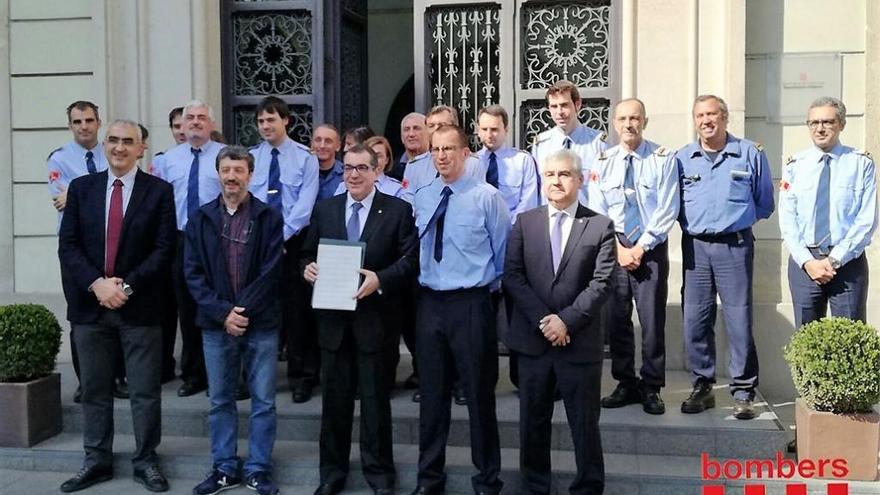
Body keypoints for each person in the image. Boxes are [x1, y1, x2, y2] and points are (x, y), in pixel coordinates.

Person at [58, 119, 175, 493]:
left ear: (141, 148)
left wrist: (124, 286)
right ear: (104, 145)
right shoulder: (81, 189)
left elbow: (163, 249)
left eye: (128, 141)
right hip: (91, 308)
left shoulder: (159, 192)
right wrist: (97, 284)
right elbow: (69, 246)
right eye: (113, 140)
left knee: (144, 392)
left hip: (139, 307)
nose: (119, 148)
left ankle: (146, 460)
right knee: (94, 389)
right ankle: (96, 461)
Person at [303, 143, 418, 495]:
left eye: (361, 168)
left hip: (375, 324)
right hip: (334, 324)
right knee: (335, 404)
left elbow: (410, 260)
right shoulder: (326, 209)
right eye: (348, 168)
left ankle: (380, 475)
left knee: (374, 404)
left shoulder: (397, 210)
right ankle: (332, 474)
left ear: (376, 171)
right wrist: (306, 268)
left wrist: (381, 279)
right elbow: (307, 253)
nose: (353, 174)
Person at [504, 148, 615, 495]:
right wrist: (544, 321)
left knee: (584, 424)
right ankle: (536, 486)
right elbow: (513, 276)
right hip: (533, 344)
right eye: (550, 175)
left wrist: (565, 322)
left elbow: (602, 283)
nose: (556, 181)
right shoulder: (525, 222)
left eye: (564, 174)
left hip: (578, 344)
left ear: (580, 180)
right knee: (533, 423)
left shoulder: (599, 225)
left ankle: (588, 486)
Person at [410, 125, 508, 495]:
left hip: (471, 303)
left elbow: (502, 257)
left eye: (449, 148)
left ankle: (487, 479)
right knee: (432, 398)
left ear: (466, 153)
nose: (442, 155)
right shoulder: (422, 195)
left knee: (479, 397)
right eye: (435, 149)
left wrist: (482, 296)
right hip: (430, 303)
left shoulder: (487, 198)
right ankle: (429, 478)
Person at [185, 146, 284, 495]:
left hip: (261, 323)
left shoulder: (269, 216)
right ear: (218, 173)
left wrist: (241, 311)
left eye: (238, 170)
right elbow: (193, 274)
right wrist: (222, 313)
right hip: (216, 326)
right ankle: (224, 467)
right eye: (226, 170)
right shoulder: (200, 218)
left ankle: (258, 468)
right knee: (220, 400)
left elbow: (273, 271)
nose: (231, 177)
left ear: (250, 175)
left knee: (264, 401)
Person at [676, 94, 775, 420]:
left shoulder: (749, 153)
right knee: (695, 319)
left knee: (738, 320)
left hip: (734, 246)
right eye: (700, 115)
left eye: (712, 114)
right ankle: (702, 386)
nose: (706, 120)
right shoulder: (682, 158)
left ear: (725, 118)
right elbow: (672, 203)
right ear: (694, 120)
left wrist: (734, 221)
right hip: (696, 248)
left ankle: (744, 392)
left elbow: (764, 202)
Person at [590, 99, 679, 415]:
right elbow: (598, 208)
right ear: (614, 123)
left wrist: (640, 248)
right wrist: (618, 249)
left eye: (635, 118)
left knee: (653, 321)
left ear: (645, 121)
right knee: (617, 319)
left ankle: (652, 386)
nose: (629, 124)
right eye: (623, 119)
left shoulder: (662, 159)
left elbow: (668, 208)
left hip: (649, 249)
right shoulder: (603, 161)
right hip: (615, 246)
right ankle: (625, 382)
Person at [48, 100, 128, 403]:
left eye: (89, 120)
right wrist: (89, 191)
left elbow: (119, 187)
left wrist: (77, 192)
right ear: (70, 125)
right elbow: (61, 201)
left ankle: (118, 377)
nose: (84, 126)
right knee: (81, 316)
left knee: (119, 308)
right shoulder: (59, 159)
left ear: (98, 122)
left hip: (112, 241)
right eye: (77, 121)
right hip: (76, 247)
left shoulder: (112, 152)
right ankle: (87, 381)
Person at [779, 96, 876, 329]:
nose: (820, 128)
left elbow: (866, 219)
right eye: (813, 123)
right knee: (806, 340)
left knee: (849, 339)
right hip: (805, 263)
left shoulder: (860, 164)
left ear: (841, 124)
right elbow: (788, 220)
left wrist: (834, 260)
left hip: (847, 262)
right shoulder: (795, 165)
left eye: (827, 122)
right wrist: (808, 262)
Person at [248, 96, 320, 402]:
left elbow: (304, 206)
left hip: (294, 242)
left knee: (297, 314)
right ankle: (256, 378)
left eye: (271, 120)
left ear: (286, 121)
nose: (266, 126)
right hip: (259, 243)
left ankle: (301, 377)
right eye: (261, 121)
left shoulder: (305, 158)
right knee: (261, 310)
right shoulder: (251, 158)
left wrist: (281, 238)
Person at [151, 99, 225, 398]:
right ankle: (194, 374)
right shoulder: (169, 159)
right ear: (181, 124)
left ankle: (220, 372)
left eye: (201, 117)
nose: (195, 122)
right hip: (181, 240)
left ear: (211, 124)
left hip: (218, 239)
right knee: (187, 307)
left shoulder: (227, 156)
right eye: (189, 117)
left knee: (219, 304)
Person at [531, 80, 607, 204]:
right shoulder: (541, 144)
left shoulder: (597, 143)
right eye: (554, 106)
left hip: (586, 218)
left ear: (577, 105)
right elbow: (537, 189)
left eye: (564, 105)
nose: (559, 112)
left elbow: (605, 187)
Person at [474, 104, 540, 221]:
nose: (489, 135)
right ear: (478, 131)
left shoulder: (523, 161)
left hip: (513, 231)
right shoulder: (470, 163)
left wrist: (507, 227)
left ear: (506, 130)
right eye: (484, 129)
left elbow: (528, 202)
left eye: (494, 130)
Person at [334, 136, 405, 200]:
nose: (374, 160)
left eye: (378, 156)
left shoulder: (397, 189)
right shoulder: (345, 186)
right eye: (370, 155)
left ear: (387, 160)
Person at [389, 113, 429, 181]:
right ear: (402, 137)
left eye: (416, 128)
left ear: (428, 133)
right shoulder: (391, 170)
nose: (411, 134)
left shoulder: (439, 165)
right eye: (406, 129)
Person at [313, 124, 345, 201]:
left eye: (328, 141)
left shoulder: (346, 174)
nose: (322, 146)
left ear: (338, 146)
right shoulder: (302, 173)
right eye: (318, 140)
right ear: (312, 144)